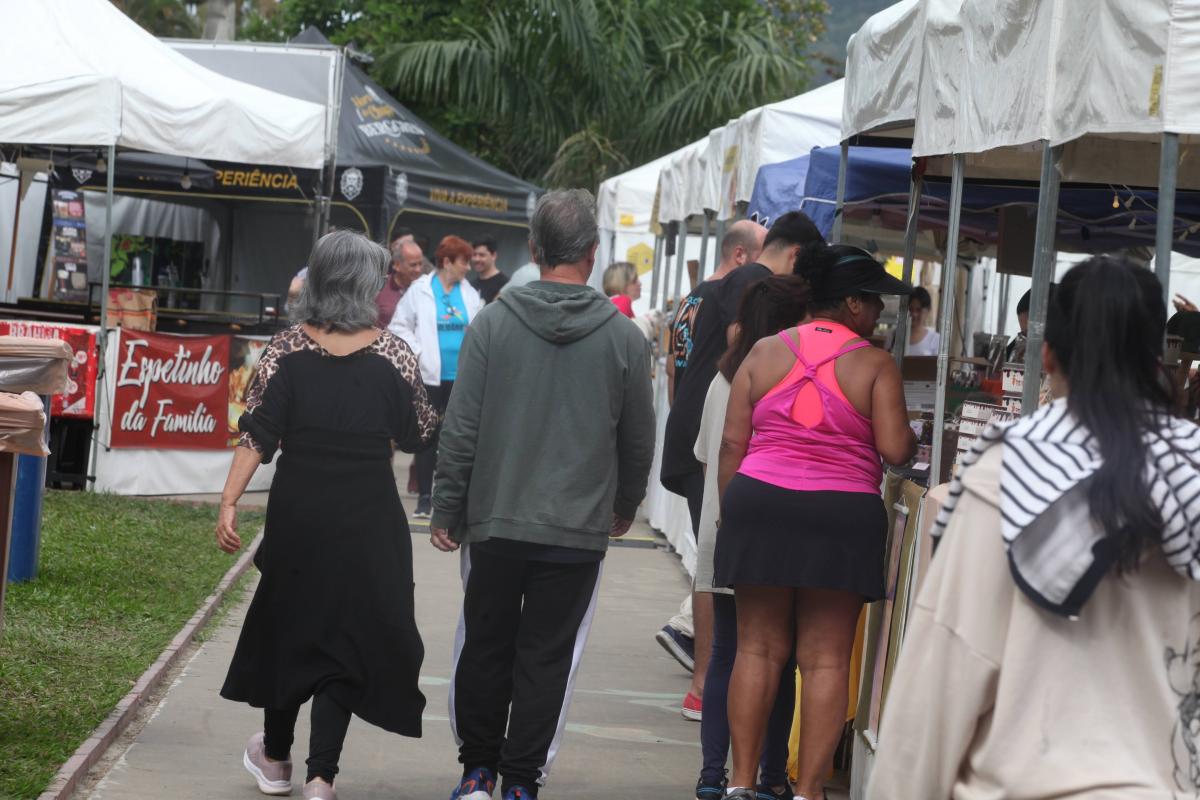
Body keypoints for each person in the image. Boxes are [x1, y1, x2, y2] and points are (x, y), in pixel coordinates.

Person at [867, 256, 1200, 799]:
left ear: (1047, 355)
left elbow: (947, 668)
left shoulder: (1009, 473)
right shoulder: (1189, 470)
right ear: (1157, 357)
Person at [430, 189, 655, 800]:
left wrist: (447, 504)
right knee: (548, 656)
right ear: (593, 252)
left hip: (496, 519)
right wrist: (625, 503)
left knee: (485, 645)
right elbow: (638, 438)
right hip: (576, 527)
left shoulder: (491, 324)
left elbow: (462, 426)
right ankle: (521, 782)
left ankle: (477, 772)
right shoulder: (625, 338)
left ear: (533, 249)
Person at [216, 230, 438, 800]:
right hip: (369, 516)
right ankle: (322, 778)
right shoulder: (394, 353)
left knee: (291, 627)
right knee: (347, 637)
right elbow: (420, 432)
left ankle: (275, 759)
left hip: (301, 512)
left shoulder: (286, 349)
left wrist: (229, 500)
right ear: (365, 285)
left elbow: (257, 433)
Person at [715, 243, 917, 800]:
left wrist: (735, 516)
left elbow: (732, 443)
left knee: (756, 649)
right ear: (850, 302)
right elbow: (895, 449)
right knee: (825, 660)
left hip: (759, 503)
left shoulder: (764, 351)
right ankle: (808, 792)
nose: (878, 311)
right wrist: (911, 434)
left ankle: (740, 784)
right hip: (840, 513)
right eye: (873, 300)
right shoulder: (875, 364)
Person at [658, 211, 823, 721]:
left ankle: (704, 676)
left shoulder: (706, 290)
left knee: (710, 558)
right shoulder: (754, 279)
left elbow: (677, 365)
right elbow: (737, 337)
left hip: (698, 424)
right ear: (796, 255)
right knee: (713, 561)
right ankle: (704, 682)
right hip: (715, 429)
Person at [693, 275, 811, 800]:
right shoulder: (788, 379)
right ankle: (770, 776)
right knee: (776, 658)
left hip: (721, 528)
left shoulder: (723, 379)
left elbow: (707, 456)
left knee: (726, 654)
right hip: (764, 535)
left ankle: (711, 775)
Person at [389, 235, 483, 519]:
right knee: (427, 437)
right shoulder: (420, 290)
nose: (468, 267)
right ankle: (425, 498)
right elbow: (398, 326)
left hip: (461, 377)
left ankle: (450, 498)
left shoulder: (469, 293)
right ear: (447, 262)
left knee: (456, 439)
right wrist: (419, 352)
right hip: (430, 377)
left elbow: (479, 328)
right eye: (463, 262)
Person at [376, 238, 424, 328]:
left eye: (420, 264)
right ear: (397, 265)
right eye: (413, 265)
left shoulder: (426, 289)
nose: (418, 269)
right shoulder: (378, 288)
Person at [888, 286, 940, 356]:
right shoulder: (894, 335)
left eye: (918, 310)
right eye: (910, 309)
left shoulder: (935, 339)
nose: (914, 314)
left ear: (928, 310)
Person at [471, 237, 509, 303]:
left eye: (481, 255)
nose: (477, 259)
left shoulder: (505, 285)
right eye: (474, 255)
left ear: (494, 256)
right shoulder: (470, 285)